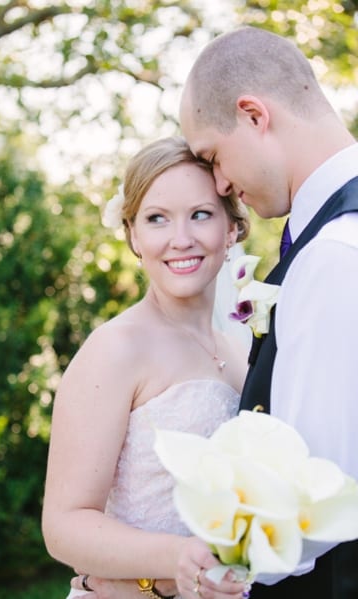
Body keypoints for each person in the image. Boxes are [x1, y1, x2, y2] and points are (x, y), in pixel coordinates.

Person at [180, 26, 358, 598]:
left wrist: (197, 573)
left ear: (254, 115)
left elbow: (315, 497)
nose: (222, 183)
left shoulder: (333, 257)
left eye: (213, 156)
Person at [41, 136, 251, 599]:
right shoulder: (116, 349)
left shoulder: (241, 352)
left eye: (201, 214)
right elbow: (64, 526)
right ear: (134, 234)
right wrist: (173, 563)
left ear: (232, 227)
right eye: (157, 219)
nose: (181, 239)